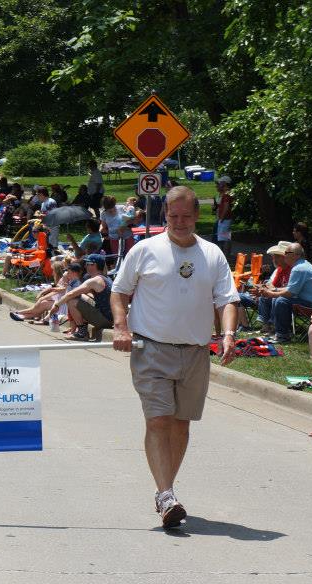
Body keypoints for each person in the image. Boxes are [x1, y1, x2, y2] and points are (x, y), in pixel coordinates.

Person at [110, 185, 240, 529]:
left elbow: (227, 299)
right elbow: (119, 291)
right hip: (151, 348)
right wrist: (121, 327)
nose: (180, 222)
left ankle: (165, 490)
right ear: (164, 216)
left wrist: (227, 334)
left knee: (181, 424)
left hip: (195, 352)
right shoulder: (145, 250)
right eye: (173, 216)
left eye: (186, 216)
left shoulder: (212, 254)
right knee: (158, 420)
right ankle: (166, 494)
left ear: (197, 216)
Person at [254, 243, 312, 343]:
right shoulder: (301, 265)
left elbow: (289, 293)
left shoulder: (299, 268)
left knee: (281, 301)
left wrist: (270, 293)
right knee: (279, 299)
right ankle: (278, 331)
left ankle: (283, 335)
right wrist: (271, 291)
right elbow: (289, 289)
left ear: (296, 255)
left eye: (287, 253)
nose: (284, 255)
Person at [51, 254, 113, 341]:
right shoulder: (106, 278)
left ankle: (82, 333)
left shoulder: (94, 280)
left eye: (87, 264)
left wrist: (56, 305)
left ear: (94, 265)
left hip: (105, 320)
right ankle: (81, 331)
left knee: (72, 301)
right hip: (110, 318)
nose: (85, 266)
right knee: (80, 300)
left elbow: (71, 294)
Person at [214, 176, 233, 258]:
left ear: (225, 183)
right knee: (224, 238)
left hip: (225, 219)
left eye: (221, 183)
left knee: (225, 239)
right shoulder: (226, 194)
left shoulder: (226, 194)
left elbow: (226, 207)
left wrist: (221, 218)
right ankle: (225, 255)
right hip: (225, 219)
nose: (219, 184)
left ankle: (225, 256)